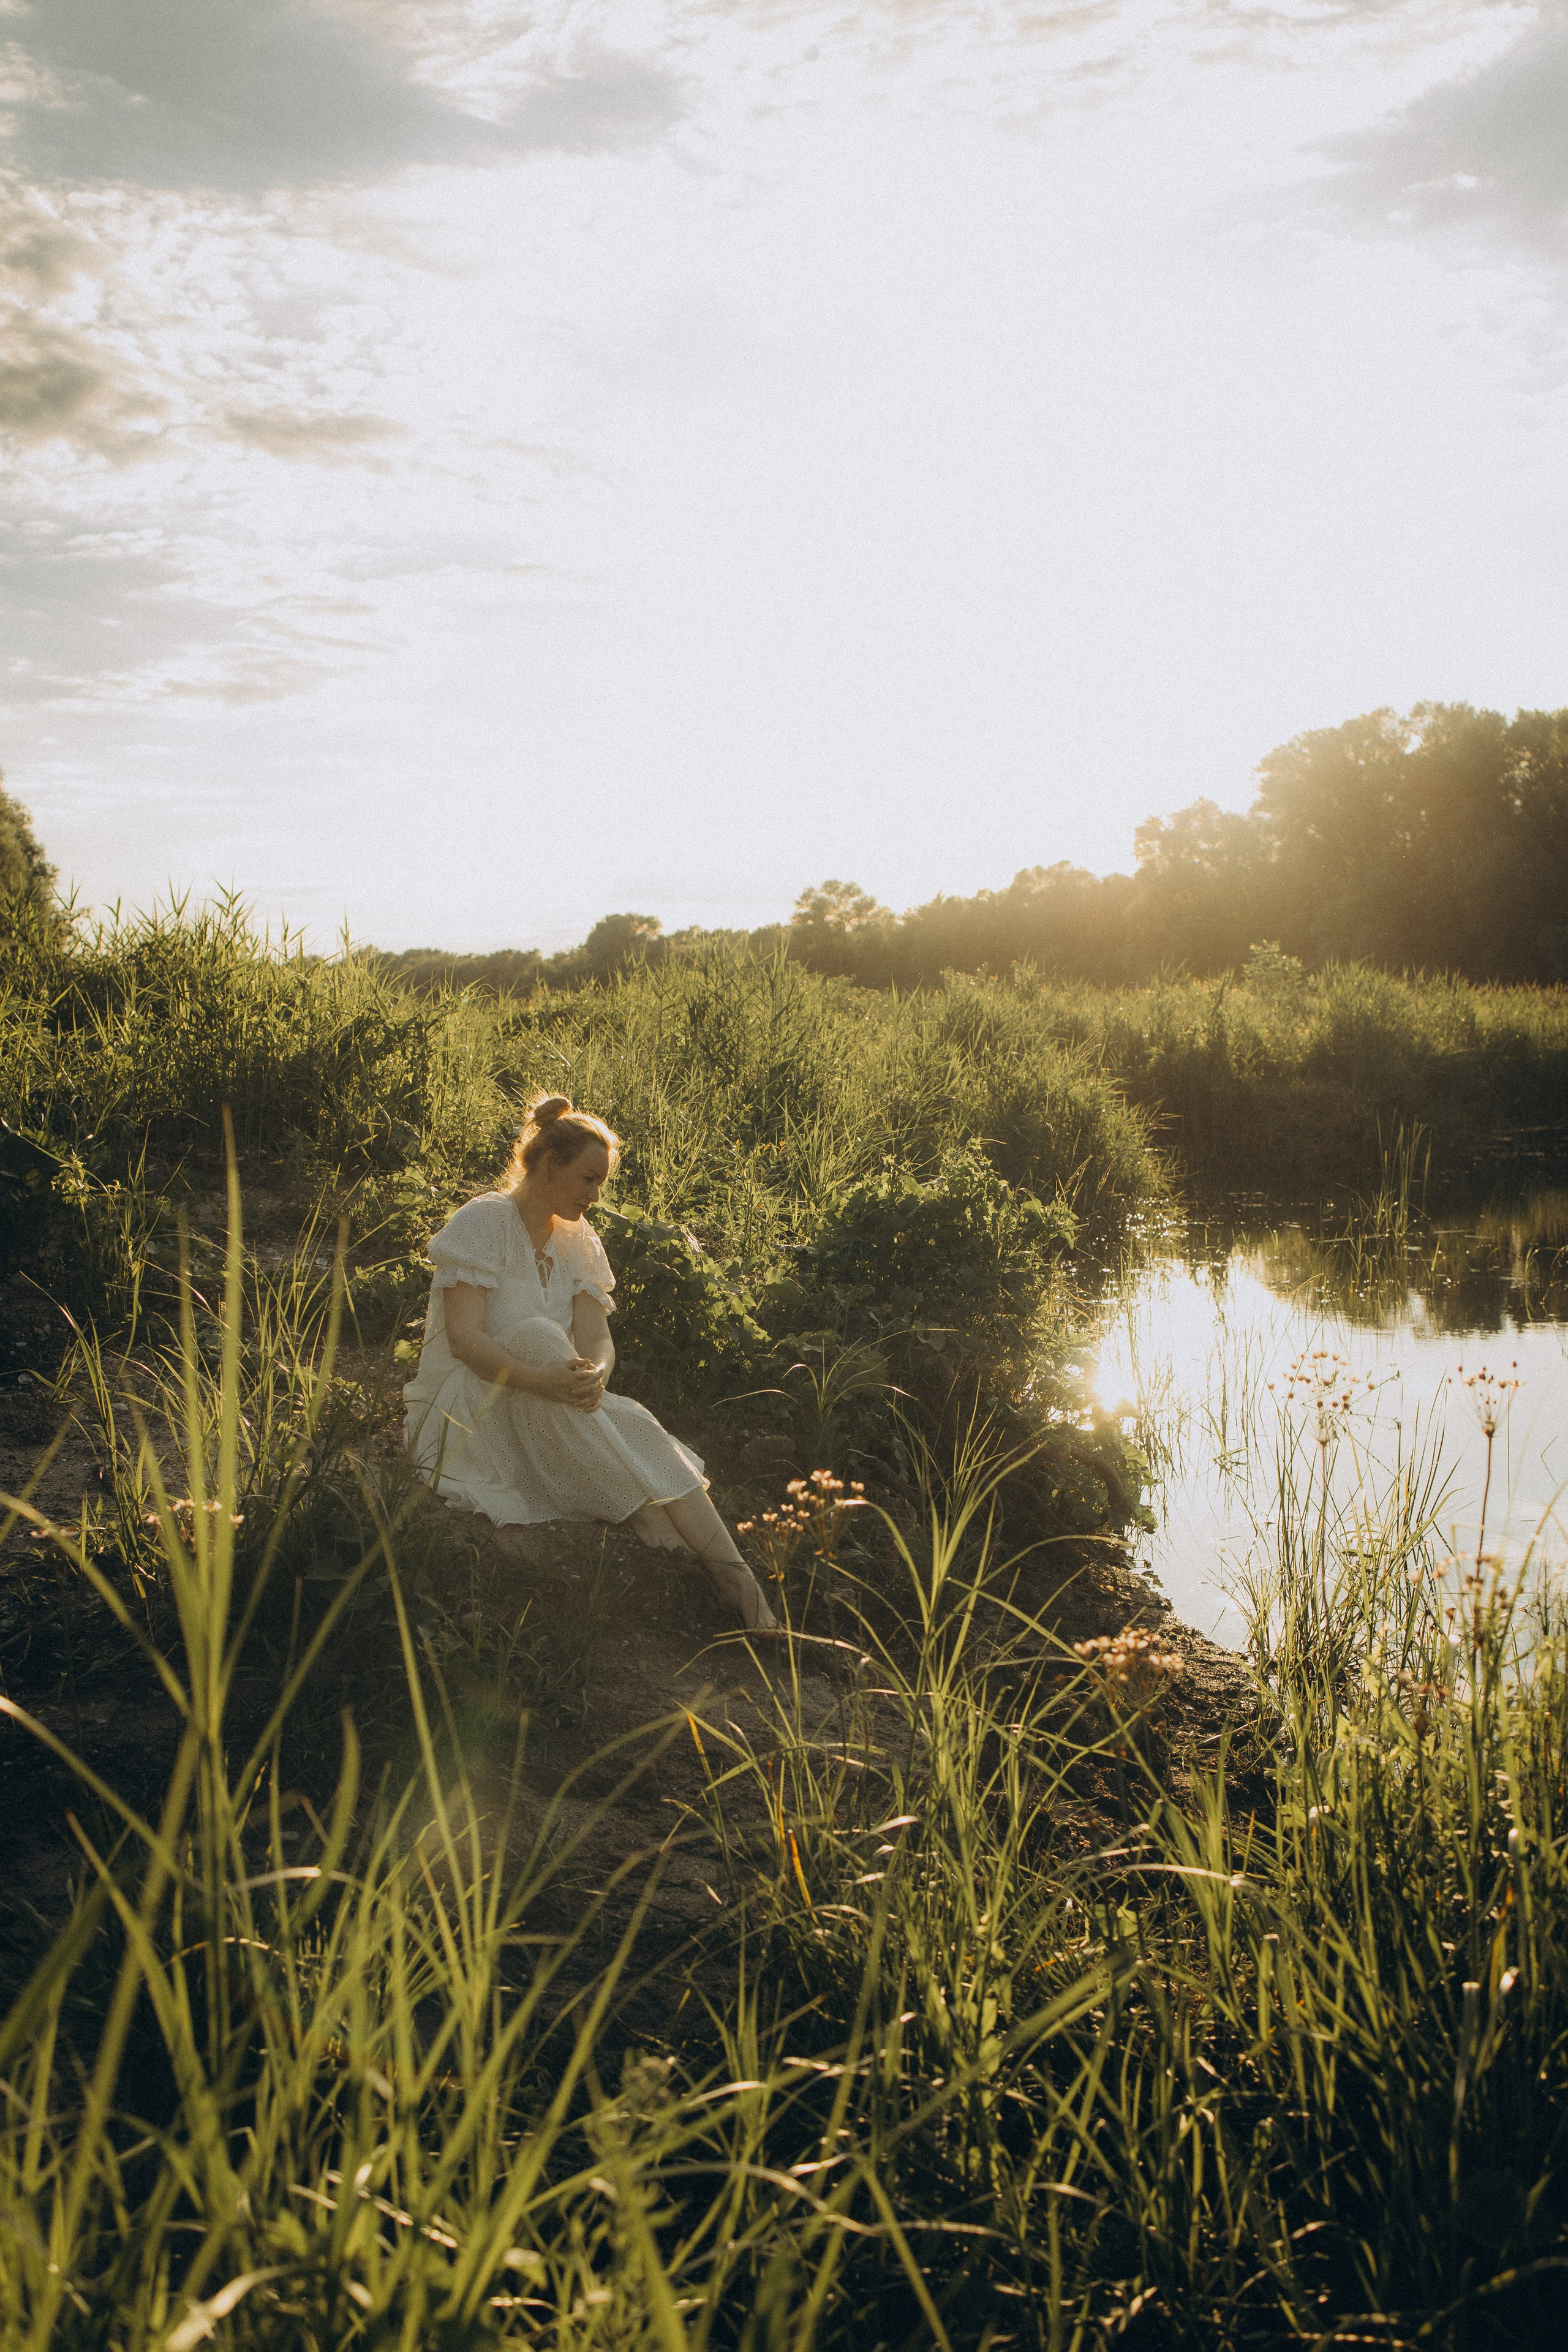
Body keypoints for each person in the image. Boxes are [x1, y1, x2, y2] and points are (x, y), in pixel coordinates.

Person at [404, 1094, 778, 1634]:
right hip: (471, 1407)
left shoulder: (580, 1241)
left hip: (551, 1396)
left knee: (639, 1422)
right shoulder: (485, 1221)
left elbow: (597, 1338)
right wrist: (545, 1379)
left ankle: (738, 1579)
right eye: (587, 1179)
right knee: (535, 1335)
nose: (596, 1195)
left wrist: (596, 1373)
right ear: (550, 1164)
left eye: (601, 1182)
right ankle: (646, 1515)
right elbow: (464, 1341)